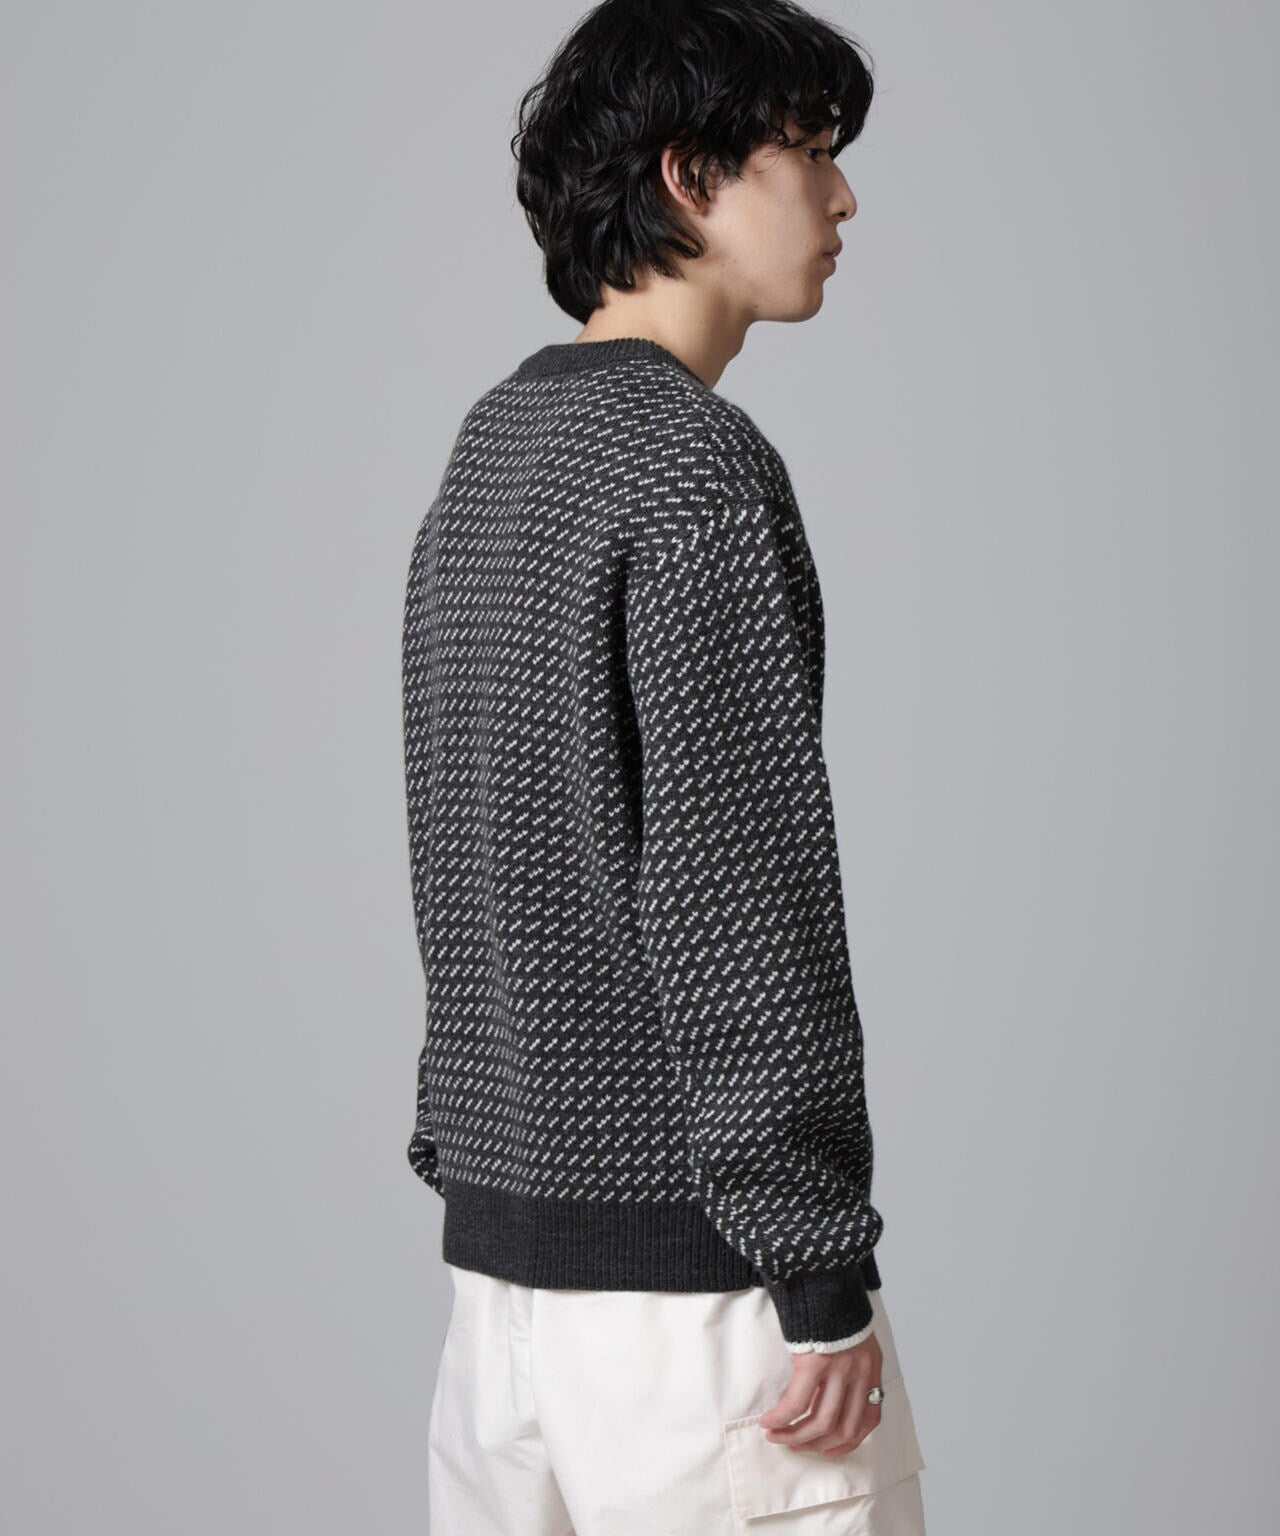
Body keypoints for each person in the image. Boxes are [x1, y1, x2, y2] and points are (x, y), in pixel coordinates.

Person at [400, 1, 928, 1529]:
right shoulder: (697, 474)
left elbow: (466, 857)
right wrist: (816, 1266)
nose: (843, 198)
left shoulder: (493, 451)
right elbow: (737, 893)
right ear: (691, 177)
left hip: (503, 1299)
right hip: (701, 1308)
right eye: (809, 153)